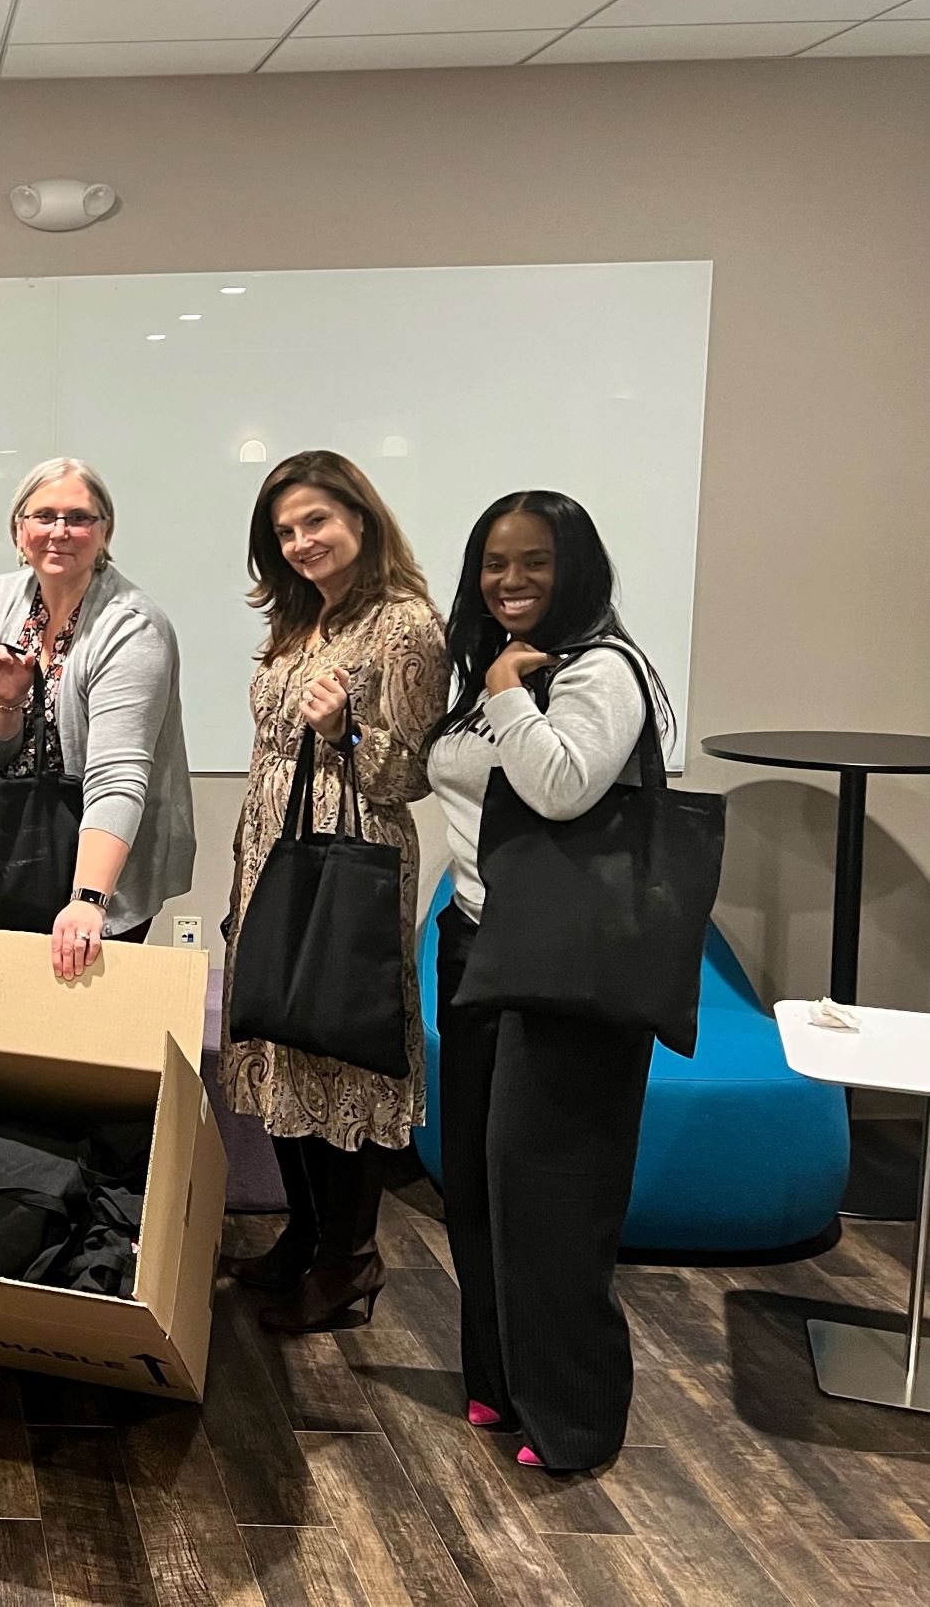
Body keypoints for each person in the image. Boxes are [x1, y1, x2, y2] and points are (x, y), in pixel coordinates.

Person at [427, 491, 667, 1474]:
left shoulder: (600, 670)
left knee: (553, 1197)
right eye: (494, 562)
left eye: (534, 562)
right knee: (479, 1188)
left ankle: (573, 1418)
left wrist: (508, 696)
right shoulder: (497, 671)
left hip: (565, 968)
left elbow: (563, 785)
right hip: (478, 943)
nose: (511, 581)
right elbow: (449, 776)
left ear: (578, 570)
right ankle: (499, 1381)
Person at [219, 450, 446, 1335]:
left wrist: (347, 732)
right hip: (274, 856)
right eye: (285, 530)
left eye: (316, 521)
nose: (302, 540)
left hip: (351, 858)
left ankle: (350, 1258)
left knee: (339, 1047)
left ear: (361, 515)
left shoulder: (404, 626)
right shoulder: (301, 620)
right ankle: (305, 1236)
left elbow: (408, 771)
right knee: (281, 1037)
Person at [0, 458, 194, 981]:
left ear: (104, 531)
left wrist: (89, 899)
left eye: (79, 518)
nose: (60, 532)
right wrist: (8, 702)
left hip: (106, 859)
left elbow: (117, 776)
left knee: (83, 1030)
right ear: (19, 530)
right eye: (44, 516)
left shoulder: (132, 627)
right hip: (17, 847)